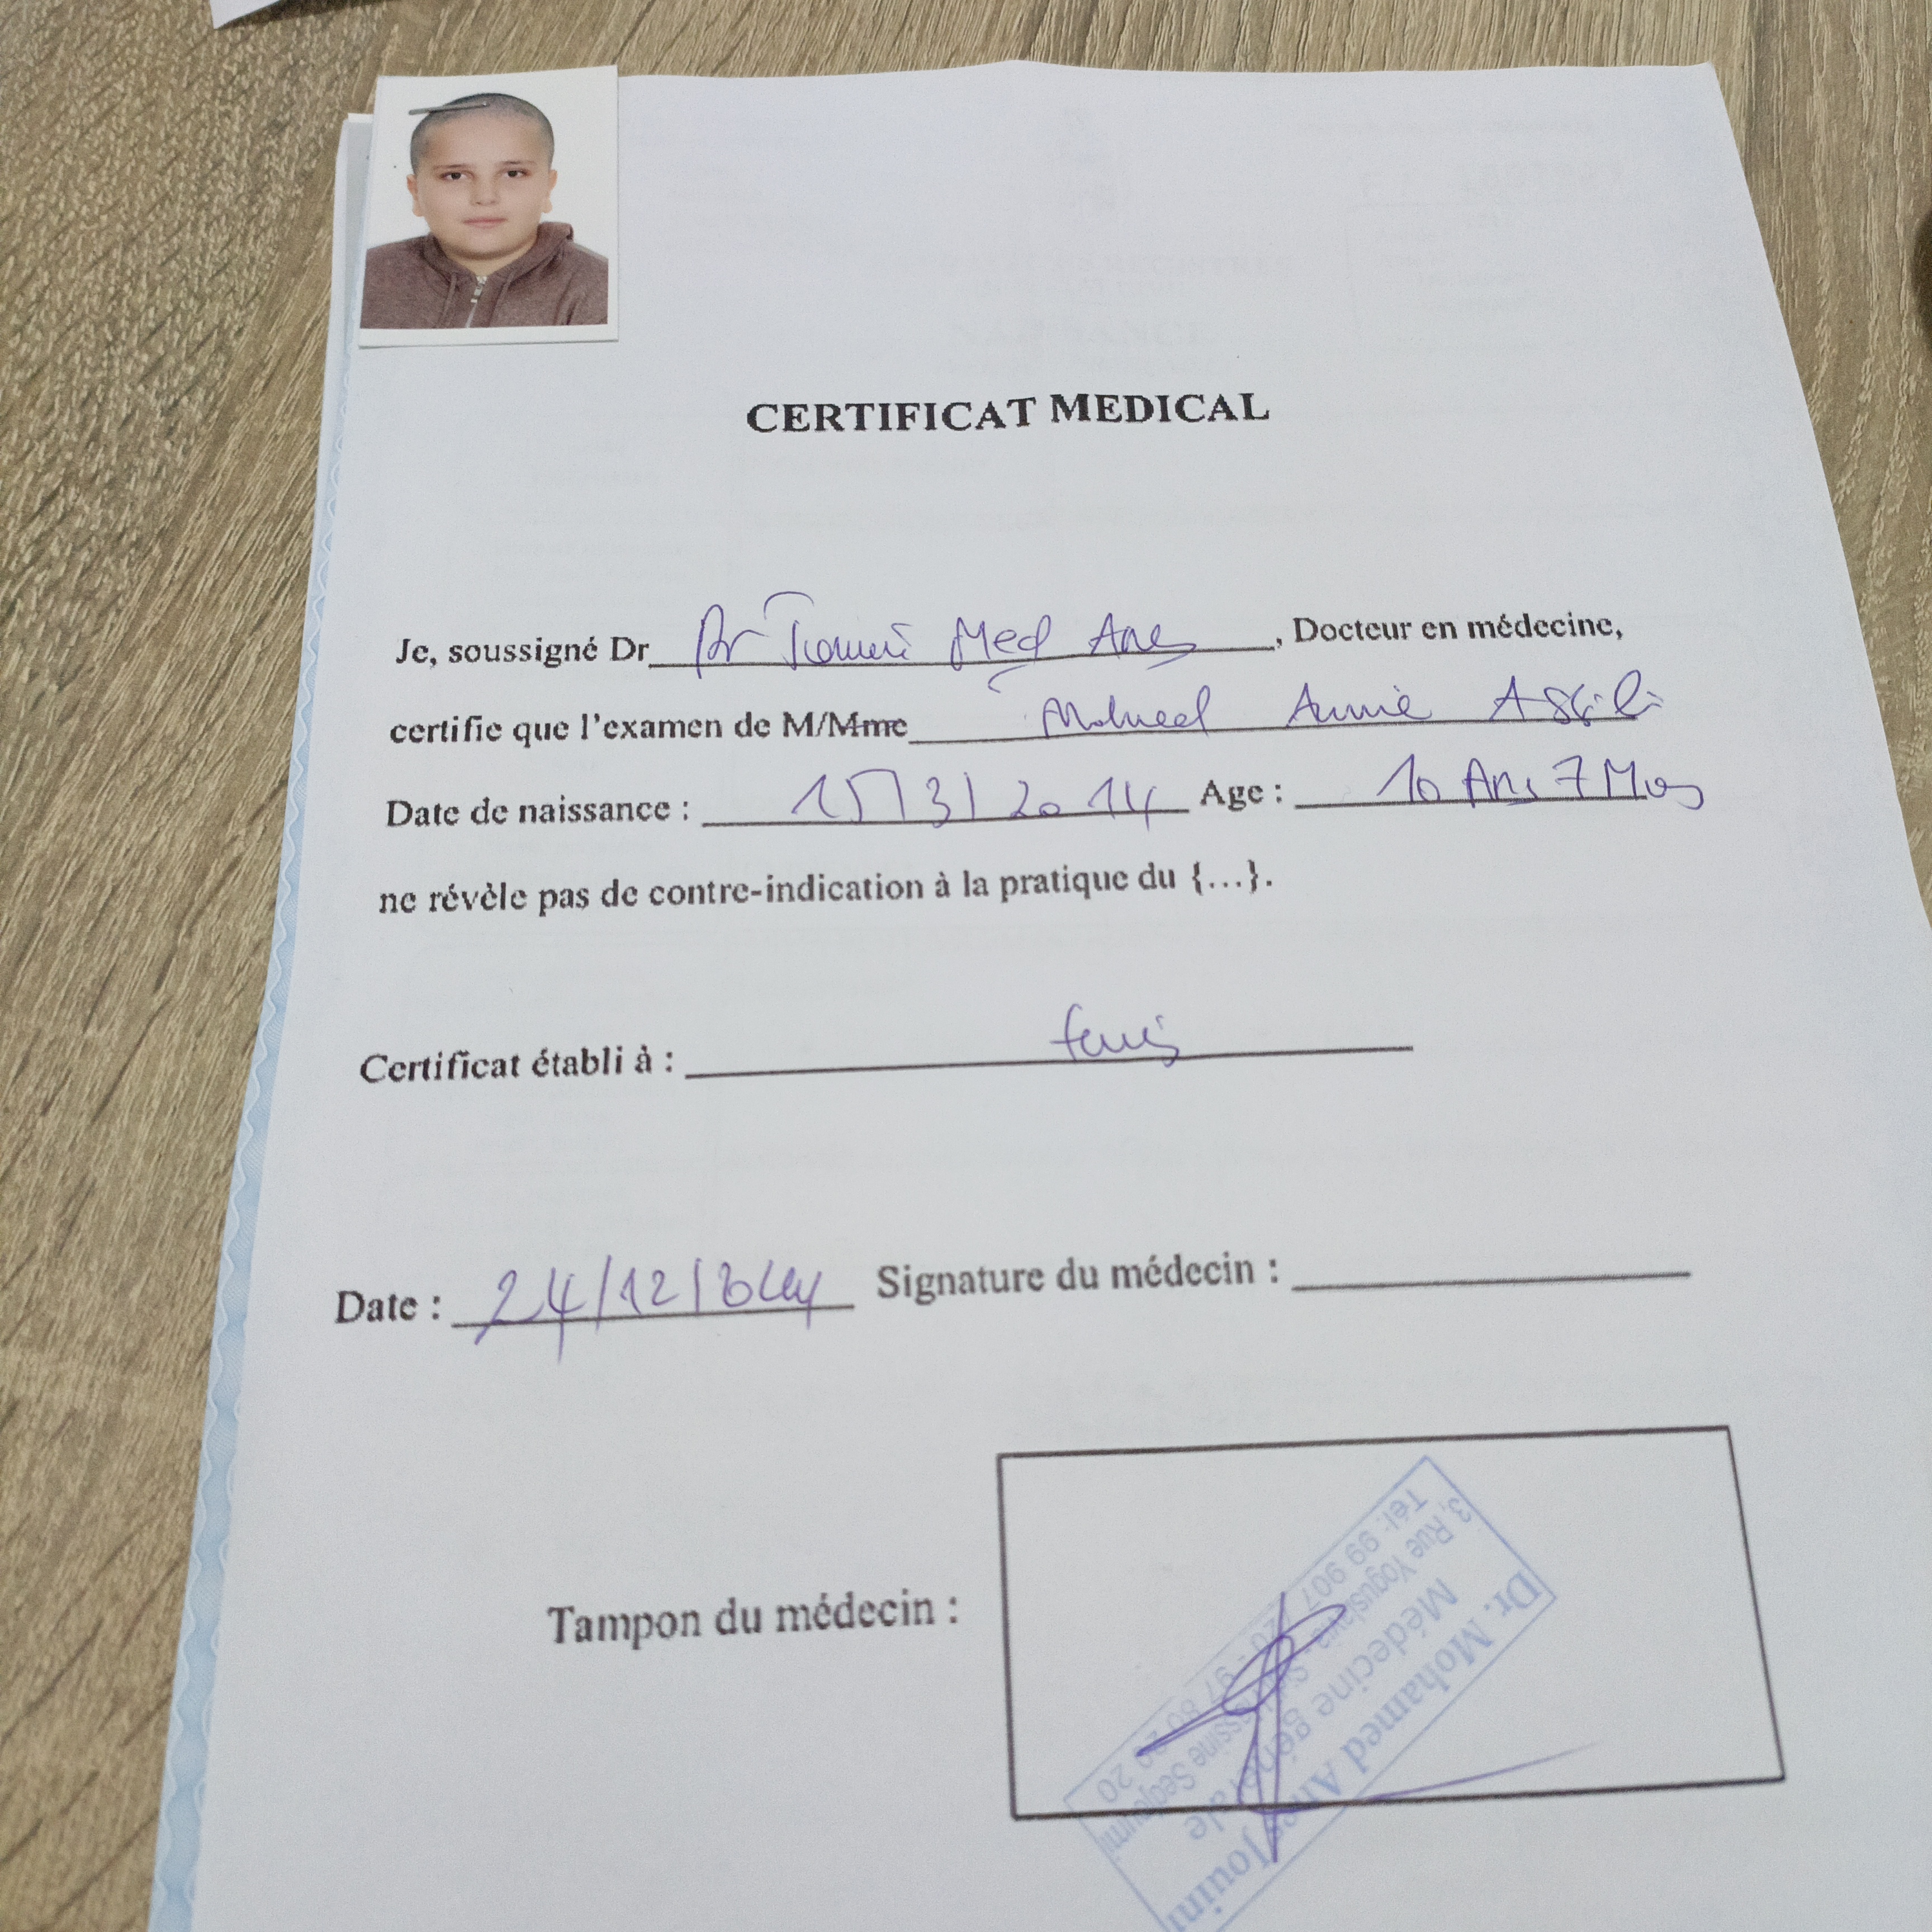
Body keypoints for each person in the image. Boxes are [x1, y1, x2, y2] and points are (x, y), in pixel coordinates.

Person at [361, 92, 608, 330]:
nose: (485, 197)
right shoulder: (368, 277)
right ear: (416, 193)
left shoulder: (601, 290)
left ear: (548, 187)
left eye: (513, 174)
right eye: (455, 176)